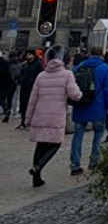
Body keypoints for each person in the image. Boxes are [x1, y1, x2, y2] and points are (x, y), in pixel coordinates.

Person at [24, 45, 81, 187]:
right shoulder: (67, 74)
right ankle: (38, 166)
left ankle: (36, 178)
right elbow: (75, 94)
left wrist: (28, 118)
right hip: (56, 115)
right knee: (55, 144)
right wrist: (80, 94)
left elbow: (33, 99)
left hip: (40, 114)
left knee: (40, 143)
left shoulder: (41, 75)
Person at [69, 46, 108, 176]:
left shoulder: (79, 66)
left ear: (89, 54)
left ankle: (75, 165)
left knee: (78, 135)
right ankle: (94, 162)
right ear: (101, 54)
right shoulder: (105, 68)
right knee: (98, 134)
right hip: (98, 107)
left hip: (81, 105)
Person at [16, 50, 43, 129]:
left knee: (31, 105)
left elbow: (39, 76)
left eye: (30, 54)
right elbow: (20, 74)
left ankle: (31, 122)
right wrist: (20, 80)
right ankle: (23, 121)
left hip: (32, 89)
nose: (28, 56)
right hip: (24, 88)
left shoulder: (38, 65)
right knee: (23, 105)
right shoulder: (25, 65)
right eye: (27, 54)